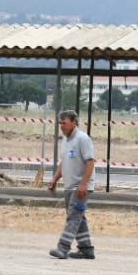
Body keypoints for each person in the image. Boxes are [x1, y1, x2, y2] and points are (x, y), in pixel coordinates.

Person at [46, 109, 96, 259]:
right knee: (77, 216)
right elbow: (65, 162)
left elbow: (90, 162)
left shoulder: (82, 139)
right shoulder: (66, 140)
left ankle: (63, 248)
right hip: (69, 186)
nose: (62, 126)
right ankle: (86, 249)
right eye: (60, 123)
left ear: (74, 123)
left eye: (64, 123)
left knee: (73, 216)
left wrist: (83, 184)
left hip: (80, 188)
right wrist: (55, 178)